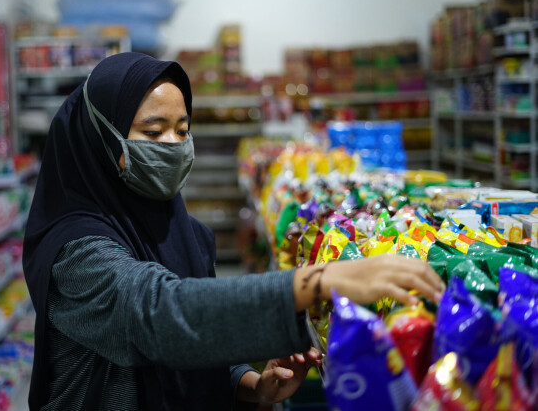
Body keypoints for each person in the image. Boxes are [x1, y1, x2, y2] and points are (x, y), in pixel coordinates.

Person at [23, 52, 445, 410]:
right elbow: (161, 316)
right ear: (102, 141)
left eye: (183, 130)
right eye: (153, 132)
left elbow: (194, 345)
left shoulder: (176, 228)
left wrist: (252, 384)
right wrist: (321, 279)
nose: (173, 145)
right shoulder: (75, 252)